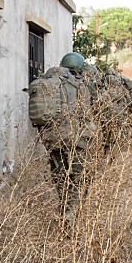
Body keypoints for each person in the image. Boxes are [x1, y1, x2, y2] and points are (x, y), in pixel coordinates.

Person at [43, 52, 97, 220]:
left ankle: (64, 206)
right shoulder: (84, 85)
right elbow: (96, 108)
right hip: (78, 139)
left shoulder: (50, 84)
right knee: (79, 177)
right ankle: (71, 213)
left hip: (54, 139)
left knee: (60, 177)